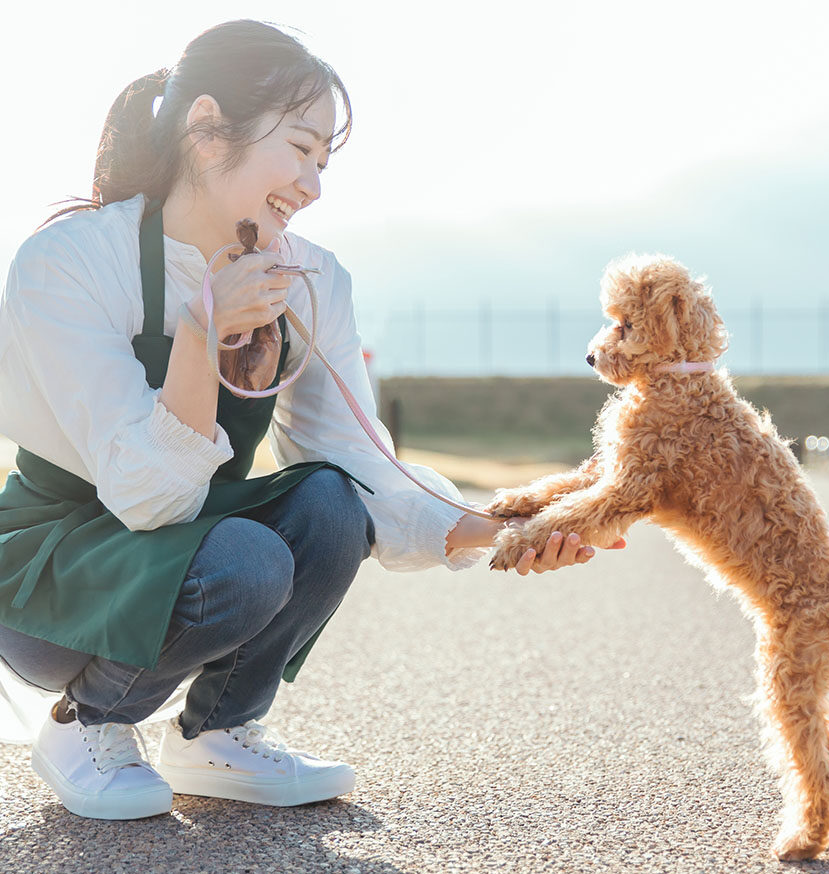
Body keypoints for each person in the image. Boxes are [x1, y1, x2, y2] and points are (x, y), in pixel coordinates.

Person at [0, 20, 615, 821]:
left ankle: (217, 731)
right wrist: (200, 330)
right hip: (55, 566)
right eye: (299, 148)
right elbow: (145, 496)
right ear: (207, 129)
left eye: (325, 160)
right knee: (247, 559)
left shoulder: (313, 280)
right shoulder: (71, 262)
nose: (314, 185)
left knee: (327, 502)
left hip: (181, 540)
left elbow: (363, 465)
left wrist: (502, 528)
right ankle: (89, 721)